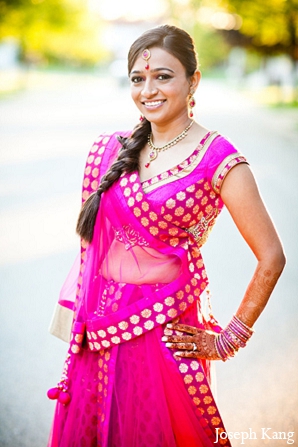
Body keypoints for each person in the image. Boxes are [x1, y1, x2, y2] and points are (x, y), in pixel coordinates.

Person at [47, 24, 286, 447]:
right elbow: (94, 250)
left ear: (193, 80)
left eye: (163, 76)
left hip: (162, 339)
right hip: (97, 336)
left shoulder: (219, 159)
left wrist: (228, 339)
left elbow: (272, 256)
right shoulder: (113, 149)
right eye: (138, 79)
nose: (148, 90)